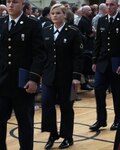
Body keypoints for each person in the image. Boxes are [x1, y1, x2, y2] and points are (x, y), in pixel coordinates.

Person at [0, 0, 46, 149]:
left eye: (15, 2)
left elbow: (39, 54)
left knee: (25, 124)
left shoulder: (32, 24)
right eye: (8, 2)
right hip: (2, 83)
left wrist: (34, 78)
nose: (11, 5)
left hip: (23, 83)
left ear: (23, 4)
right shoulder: (1, 22)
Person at [41, 3, 83, 149]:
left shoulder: (73, 32)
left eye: (58, 13)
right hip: (48, 76)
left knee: (66, 107)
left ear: (64, 15)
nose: (55, 16)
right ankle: (52, 134)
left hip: (67, 77)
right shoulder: (45, 31)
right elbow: (42, 54)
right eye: (52, 13)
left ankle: (67, 136)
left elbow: (78, 56)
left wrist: (76, 76)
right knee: (46, 104)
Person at [89, 0, 120, 132]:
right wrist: (94, 60)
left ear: (117, 6)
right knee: (98, 89)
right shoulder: (101, 20)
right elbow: (98, 42)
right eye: (107, 5)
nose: (108, 7)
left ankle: (118, 120)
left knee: (117, 92)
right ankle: (101, 120)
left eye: (111, 4)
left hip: (117, 61)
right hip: (102, 61)